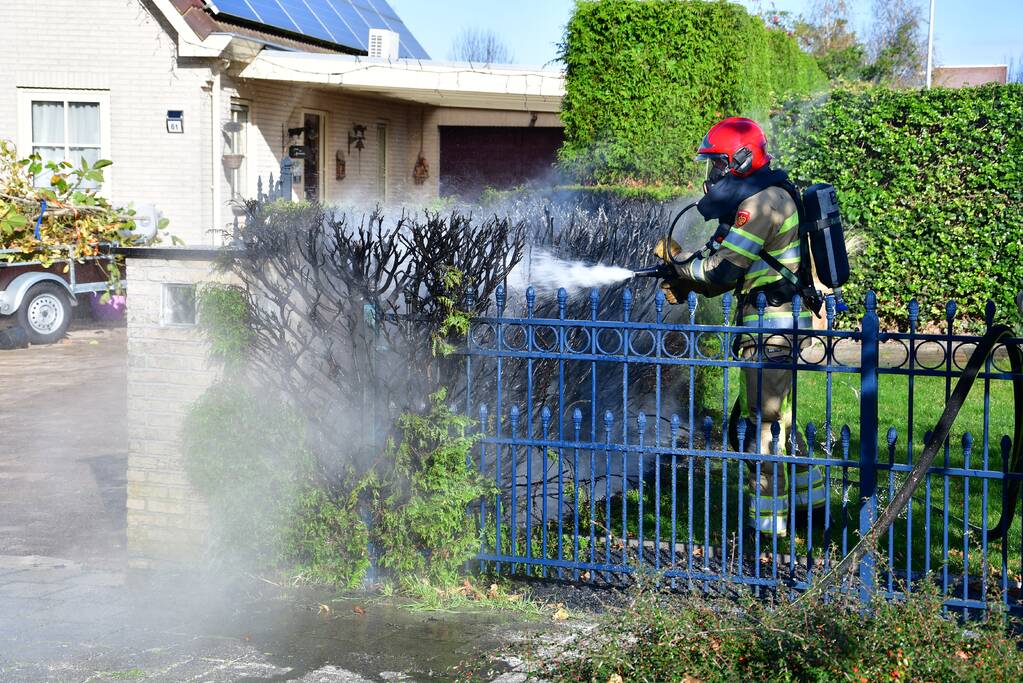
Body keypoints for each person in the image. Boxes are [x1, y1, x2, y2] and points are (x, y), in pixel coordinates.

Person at [654, 117, 825, 535]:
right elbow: (730, 266)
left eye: (716, 165)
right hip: (774, 324)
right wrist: (686, 274)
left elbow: (722, 271)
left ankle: (768, 526)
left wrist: (678, 265)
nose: (711, 176)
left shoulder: (762, 204)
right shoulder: (763, 195)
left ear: (740, 160)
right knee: (776, 418)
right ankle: (811, 505)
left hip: (772, 328)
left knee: (762, 424)